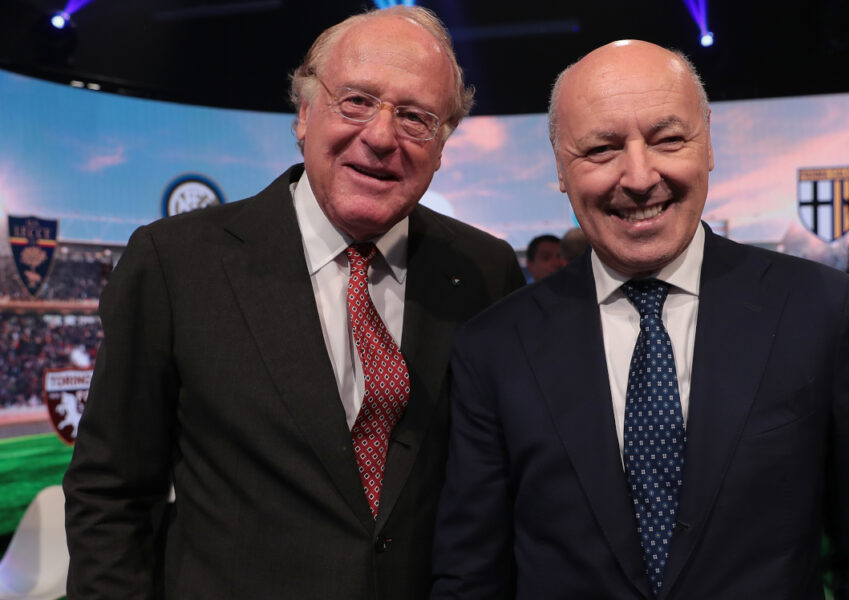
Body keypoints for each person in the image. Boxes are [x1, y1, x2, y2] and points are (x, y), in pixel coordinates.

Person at [431, 40, 849, 599]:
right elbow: (470, 578)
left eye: (668, 140)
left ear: (707, 144)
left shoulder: (821, 311)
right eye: (601, 149)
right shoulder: (496, 346)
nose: (639, 177)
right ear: (561, 169)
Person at [63, 6, 523, 600]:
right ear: (304, 113)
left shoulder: (486, 271)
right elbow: (111, 494)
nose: (381, 136)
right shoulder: (175, 263)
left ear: (442, 146)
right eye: (356, 101)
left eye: (416, 117)